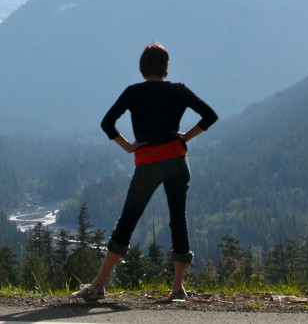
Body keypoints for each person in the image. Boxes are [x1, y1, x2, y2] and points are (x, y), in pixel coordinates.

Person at [73, 43, 218, 302]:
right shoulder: (178, 90)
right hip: (177, 160)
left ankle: (98, 285)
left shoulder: (133, 92)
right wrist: (187, 136)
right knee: (178, 219)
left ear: (142, 68)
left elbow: (107, 123)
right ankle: (177, 288)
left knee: (128, 219)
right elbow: (210, 116)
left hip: (147, 163)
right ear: (166, 68)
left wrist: (128, 146)